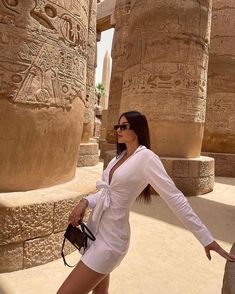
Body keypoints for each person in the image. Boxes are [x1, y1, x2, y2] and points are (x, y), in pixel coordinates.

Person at [57, 111, 235, 294]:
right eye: (117, 126)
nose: (118, 130)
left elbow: (175, 198)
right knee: (100, 291)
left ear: (138, 129)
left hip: (111, 241)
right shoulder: (121, 156)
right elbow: (106, 194)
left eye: (124, 126)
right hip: (95, 234)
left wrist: (206, 238)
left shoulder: (147, 158)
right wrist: (85, 202)